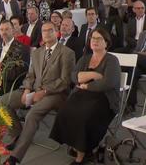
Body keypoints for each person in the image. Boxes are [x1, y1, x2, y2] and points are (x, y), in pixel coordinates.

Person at [1, 22, 75, 165]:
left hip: (56, 94)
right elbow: (30, 76)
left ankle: (14, 158)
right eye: (44, 31)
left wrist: (45, 91)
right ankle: (18, 134)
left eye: (50, 30)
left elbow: (65, 81)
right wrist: (28, 89)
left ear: (56, 32)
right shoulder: (36, 52)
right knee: (3, 102)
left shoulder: (67, 53)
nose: (46, 33)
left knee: (32, 114)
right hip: (33, 90)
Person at [49, 28, 120, 165]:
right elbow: (74, 76)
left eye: (99, 39)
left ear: (106, 43)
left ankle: (81, 155)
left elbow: (108, 83)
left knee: (84, 116)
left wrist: (87, 85)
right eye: (93, 38)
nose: (95, 41)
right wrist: (94, 75)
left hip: (103, 98)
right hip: (81, 95)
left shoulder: (111, 60)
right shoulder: (85, 58)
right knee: (65, 111)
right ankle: (78, 146)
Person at [0, 20, 30, 95]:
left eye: (7, 29)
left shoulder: (23, 49)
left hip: (11, 88)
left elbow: (21, 73)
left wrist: (0, 71)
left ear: (13, 30)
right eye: (1, 30)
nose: (4, 32)